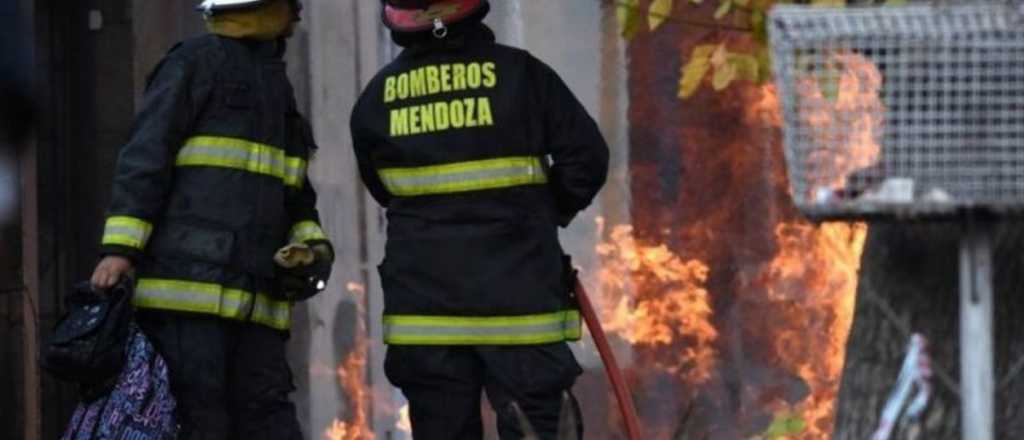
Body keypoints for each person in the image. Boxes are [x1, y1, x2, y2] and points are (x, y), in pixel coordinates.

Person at [350, 1, 609, 438]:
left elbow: (384, 191)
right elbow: (587, 158)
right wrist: (543, 214)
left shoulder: (375, 100)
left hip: (426, 318)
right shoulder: (522, 76)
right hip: (521, 308)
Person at [89, 0, 332, 438]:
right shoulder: (192, 64)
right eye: (290, 5)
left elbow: (294, 191)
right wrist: (120, 250)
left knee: (269, 425)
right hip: (186, 303)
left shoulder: (276, 85)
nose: (298, 14)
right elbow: (146, 157)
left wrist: (313, 249)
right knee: (200, 423)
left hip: (256, 306)